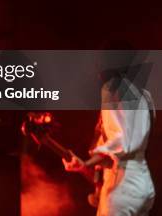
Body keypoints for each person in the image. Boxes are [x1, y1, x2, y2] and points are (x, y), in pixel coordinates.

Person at [63, 61, 155, 216]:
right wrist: (86, 165)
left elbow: (118, 151)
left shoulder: (114, 94)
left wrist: (86, 163)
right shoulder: (143, 98)